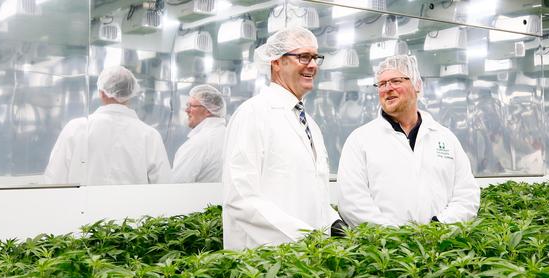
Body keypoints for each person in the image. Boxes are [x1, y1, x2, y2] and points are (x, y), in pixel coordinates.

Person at [222, 26, 345, 250]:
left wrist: (334, 222)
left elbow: (312, 190)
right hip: (264, 260)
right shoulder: (253, 114)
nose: (313, 65)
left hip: (308, 262)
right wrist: (304, 237)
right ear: (277, 62)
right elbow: (240, 197)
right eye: (303, 57)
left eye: (316, 57)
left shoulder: (310, 124)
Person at [337, 55, 480, 227]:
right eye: (382, 84)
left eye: (396, 81)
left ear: (417, 85)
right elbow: (352, 202)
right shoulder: (360, 140)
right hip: (385, 250)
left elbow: (467, 195)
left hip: (441, 245)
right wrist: (394, 237)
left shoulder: (445, 138)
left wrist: (440, 226)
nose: (388, 89)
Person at [44, 66, 171, 185]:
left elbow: (54, 180)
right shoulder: (150, 136)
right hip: (133, 208)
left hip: (82, 208)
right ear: (131, 93)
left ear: (101, 93)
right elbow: (164, 186)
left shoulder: (76, 128)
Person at [172, 85, 226, 183]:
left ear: (208, 110)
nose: (186, 110)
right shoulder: (228, 135)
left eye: (191, 106)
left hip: (200, 198)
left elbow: (176, 186)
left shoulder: (198, 144)